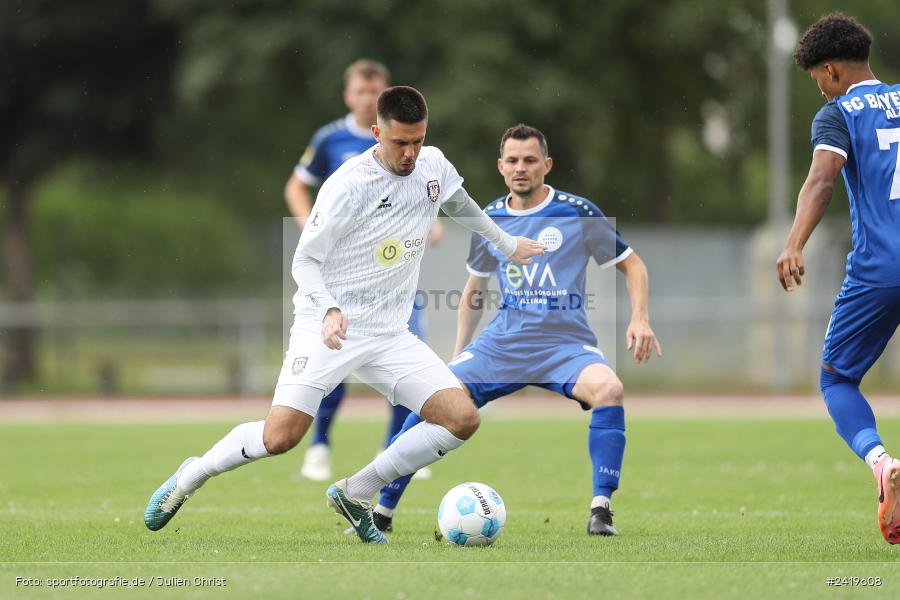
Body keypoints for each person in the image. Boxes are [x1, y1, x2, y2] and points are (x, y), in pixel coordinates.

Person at [144, 86, 546, 544]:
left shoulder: (433, 164)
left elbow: (461, 205)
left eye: (418, 140)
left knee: (462, 418)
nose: (411, 153)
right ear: (377, 133)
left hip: (390, 335)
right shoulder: (347, 185)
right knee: (281, 437)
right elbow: (304, 262)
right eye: (400, 143)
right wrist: (331, 309)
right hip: (328, 327)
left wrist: (507, 243)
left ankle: (357, 491)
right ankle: (192, 475)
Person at [371, 124, 661, 536]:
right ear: (500, 166)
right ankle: (381, 511)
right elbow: (475, 292)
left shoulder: (577, 212)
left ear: (547, 164)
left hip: (566, 345)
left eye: (529, 160)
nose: (520, 168)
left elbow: (633, 265)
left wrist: (640, 318)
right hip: (503, 343)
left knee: (609, 390)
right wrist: (457, 353)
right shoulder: (489, 218)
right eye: (512, 160)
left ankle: (601, 510)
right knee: (433, 399)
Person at [778, 12, 900, 544]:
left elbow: (822, 180)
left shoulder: (838, 113)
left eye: (816, 81)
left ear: (829, 71)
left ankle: (880, 462)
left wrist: (793, 242)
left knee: (836, 379)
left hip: (881, 267)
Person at [283, 59, 435, 481]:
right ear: (348, 95)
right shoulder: (330, 139)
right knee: (333, 364)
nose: (369, 98)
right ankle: (319, 446)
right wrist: (309, 228)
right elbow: (296, 185)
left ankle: (395, 448)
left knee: (409, 358)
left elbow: (421, 191)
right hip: (343, 275)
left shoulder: (407, 147)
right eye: (361, 91)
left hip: (393, 272)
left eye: (376, 91)